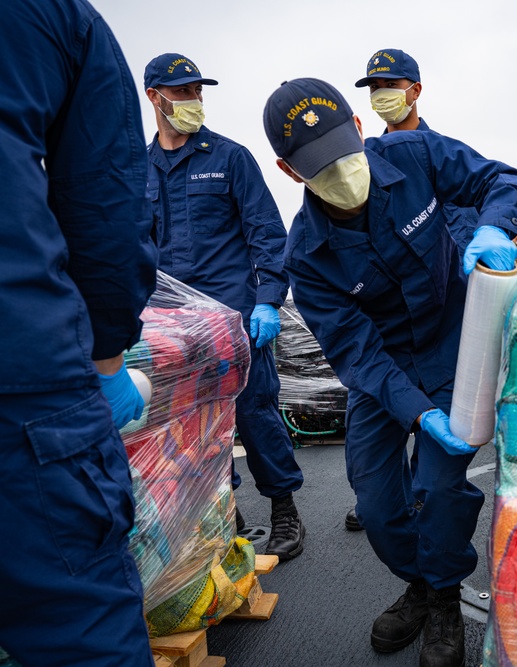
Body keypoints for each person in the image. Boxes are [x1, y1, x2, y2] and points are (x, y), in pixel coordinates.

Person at [263, 77, 517, 667]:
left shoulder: (415, 155)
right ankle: (416, 581)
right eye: (319, 167)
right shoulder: (306, 255)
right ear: (290, 172)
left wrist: (494, 224)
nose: (341, 172)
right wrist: (415, 409)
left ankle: (441, 598)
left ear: (360, 130)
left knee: (439, 489)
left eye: (344, 152)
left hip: (454, 352)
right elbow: (355, 352)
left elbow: (505, 180)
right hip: (382, 373)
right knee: (379, 504)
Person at [0, 1, 158, 664]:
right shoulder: (53, 17)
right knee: (76, 627)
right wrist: (107, 354)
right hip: (23, 369)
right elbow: (107, 206)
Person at [143, 53, 305, 561]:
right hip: (170, 327)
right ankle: (224, 516)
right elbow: (126, 249)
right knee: (192, 426)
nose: (194, 101)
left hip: (234, 321)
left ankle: (284, 509)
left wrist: (268, 302)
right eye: (183, 92)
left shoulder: (229, 158)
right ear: (155, 97)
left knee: (255, 413)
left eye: (197, 91)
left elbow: (266, 234)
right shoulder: (135, 169)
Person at [342, 48, 478, 534]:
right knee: (374, 461)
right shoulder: (356, 166)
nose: (382, 96)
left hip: (440, 324)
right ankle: (392, 502)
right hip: (385, 334)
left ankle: (430, 525)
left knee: (437, 464)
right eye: (374, 88)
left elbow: (463, 227)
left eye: (390, 85)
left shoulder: (435, 154)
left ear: (415, 91)